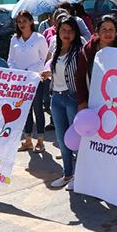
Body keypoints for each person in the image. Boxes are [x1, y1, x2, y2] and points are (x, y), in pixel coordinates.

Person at [41, 16, 83, 189]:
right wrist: (48, 74)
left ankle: (80, 176)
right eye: (63, 30)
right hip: (56, 98)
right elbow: (55, 69)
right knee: (61, 138)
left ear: (75, 33)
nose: (66, 34)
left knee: (76, 139)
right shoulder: (56, 47)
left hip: (72, 97)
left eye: (70, 31)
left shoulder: (80, 51)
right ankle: (67, 174)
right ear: (57, 31)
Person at [7, 10, 49, 153]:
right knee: (25, 110)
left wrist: (30, 70)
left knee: (38, 109)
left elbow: (44, 59)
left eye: (24, 21)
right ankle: (28, 140)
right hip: (20, 81)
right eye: (19, 22)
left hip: (35, 79)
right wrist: (17, 71)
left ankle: (41, 141)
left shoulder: (39, 38)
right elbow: (10, 59)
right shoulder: (14, 39)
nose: (22, 24)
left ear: (31, 21)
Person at [76, 16, 117, 111]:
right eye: (104, 29)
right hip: (94, 101)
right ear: (97, 32)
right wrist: (82, 101)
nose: (108, 33)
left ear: (116, 32)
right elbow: (80, 77)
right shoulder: (87, 50)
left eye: (111, 29)